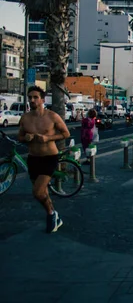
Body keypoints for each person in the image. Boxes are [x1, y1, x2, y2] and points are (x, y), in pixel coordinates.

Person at [18, 86, 70, 233]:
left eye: (35, 97)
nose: (32, 100)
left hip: (49, 157)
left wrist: (48, 138)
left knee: (38, 192)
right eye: (30, 97)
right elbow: (20, 137)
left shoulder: (52, 116)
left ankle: (51, 214)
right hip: (33, 158)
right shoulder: (25, 118)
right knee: (42, 192)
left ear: (42, 99)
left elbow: (66, 133)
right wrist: (25, 138)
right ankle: (53, 214)